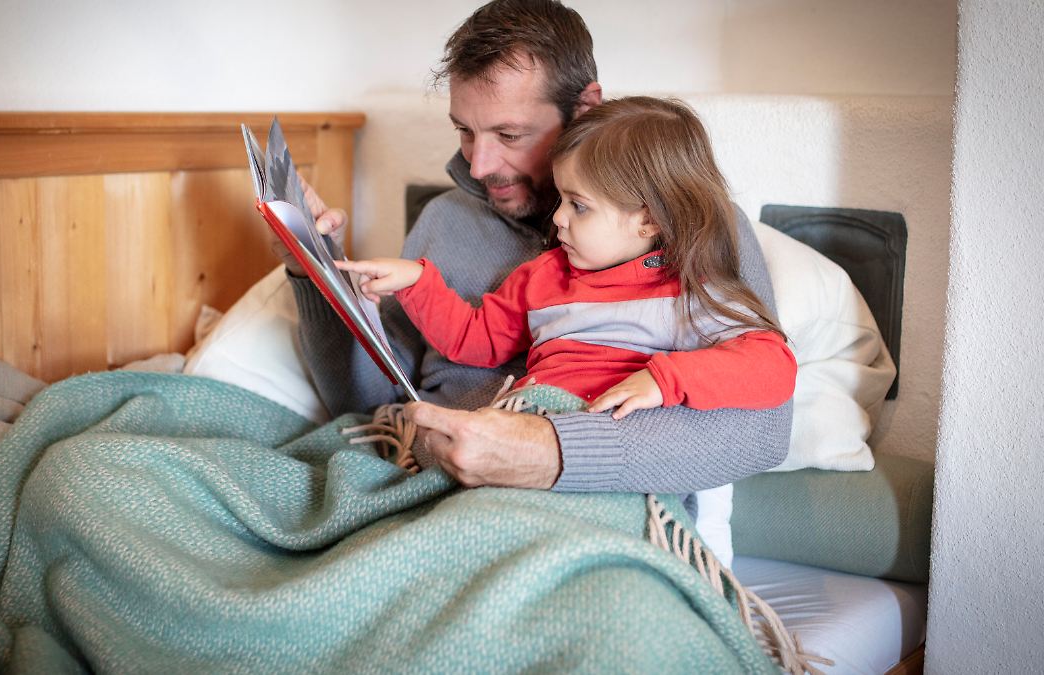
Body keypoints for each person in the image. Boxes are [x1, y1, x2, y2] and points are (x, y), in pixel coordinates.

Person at [279, 0, 793, 497]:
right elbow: (365, 403)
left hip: (575, 490)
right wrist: (312, 269)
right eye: (464, 131)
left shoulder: (696, 228)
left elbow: (760, 432)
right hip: (425, 475)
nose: (479, 166)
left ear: (584, 107)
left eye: (509, 133)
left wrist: (549, 453)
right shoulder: (444, 221)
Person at [336, 96, 797, 422]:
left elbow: (773, 365)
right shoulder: (545, 276)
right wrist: (417, 282)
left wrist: (665, 380)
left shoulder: (687, 290)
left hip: (606, 443)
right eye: (561, 199)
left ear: (649, 220)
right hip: (527, 422)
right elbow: (476, 341)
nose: (557, 219)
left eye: (579, 205)